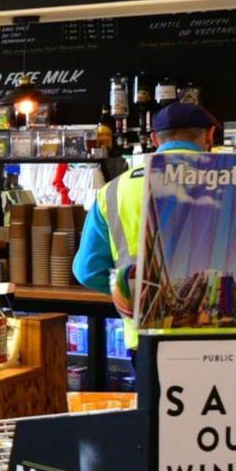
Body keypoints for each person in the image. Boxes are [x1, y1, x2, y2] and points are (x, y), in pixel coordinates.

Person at [75, 101, 220, 334]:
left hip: (148, 332)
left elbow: (87, 271)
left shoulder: (113, 190)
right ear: (211, 135)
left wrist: (136, 294)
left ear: (154, 139)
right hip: (221, 334)